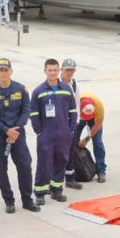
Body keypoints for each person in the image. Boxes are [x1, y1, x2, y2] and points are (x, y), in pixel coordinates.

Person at [0, 58, 39, 214]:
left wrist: (16, 130)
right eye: (0, 70)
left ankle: (27, 200)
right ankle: (9, 201)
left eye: (6, 70)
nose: (3, 73)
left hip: (18, 135)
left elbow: (26, 110)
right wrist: (6, 131)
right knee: (1, 170)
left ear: (11, 71)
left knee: (25, 167)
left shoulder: (21, 89)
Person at [30, 58, 79, 204]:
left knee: (61, 161)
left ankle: (57, 190)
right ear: (45, 71)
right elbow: (33, 114)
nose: (52, 72)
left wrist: (70, 129)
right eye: (49, 70)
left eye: (55, 70)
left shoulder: (66, 88)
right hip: (46, 134)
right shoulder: (38, 91)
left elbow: (73, 110)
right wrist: (39, 131)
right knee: (44, 163)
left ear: (59, 71)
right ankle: (40, 192)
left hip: (64, 134)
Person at [67, 92, 106, 184]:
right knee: (73, 142)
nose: (86, 119)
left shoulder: (99, 107)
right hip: (78, 117)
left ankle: (101, 171)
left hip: (94, 118)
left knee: (98, 142)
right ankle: (74, 169)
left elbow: (97, 126)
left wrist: (86, 139)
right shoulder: (73, 105)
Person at [59, 58, 84, 190]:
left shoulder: (74, 84)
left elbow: (77, 104)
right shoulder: (54, 83)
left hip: (70, 124)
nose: (69, 73)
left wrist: (76, 121)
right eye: (67, 70)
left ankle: (69, 178)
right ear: (61, 70)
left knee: (70, 151)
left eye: (72, 70)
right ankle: (52, 179)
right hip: (57, 124)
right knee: (56, 152)